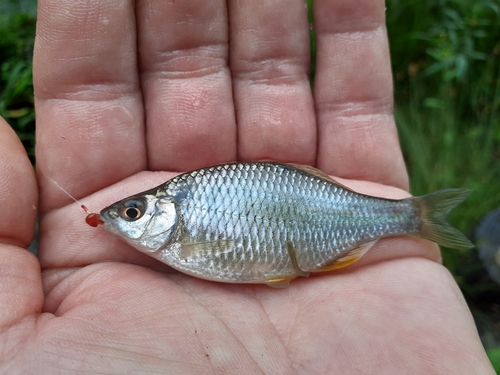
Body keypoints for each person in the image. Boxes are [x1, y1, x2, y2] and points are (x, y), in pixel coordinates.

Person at [0, 0, 494, 373]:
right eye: (132, 212)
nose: (120, 218)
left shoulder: (186, 220)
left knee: (399, 218)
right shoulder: (184, 216)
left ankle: (414, 217)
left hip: (314, 235)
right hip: (296, 247)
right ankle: (415, 218)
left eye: (132, 213)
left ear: (162, 211)